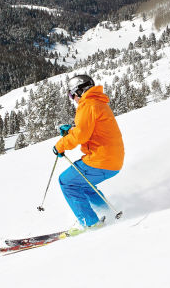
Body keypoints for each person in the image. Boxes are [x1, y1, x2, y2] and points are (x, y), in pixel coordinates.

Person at [52, 74, 124, 231]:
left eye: (72, 95)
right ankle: (105, 211)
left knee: (67, 182)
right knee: (83, 183)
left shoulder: (87, 105)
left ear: (79, 91)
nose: (73, 99)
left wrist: (60, 145)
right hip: (112, 159)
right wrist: (72, 129)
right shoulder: (97, 102)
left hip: (101, 159)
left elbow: (81, 135)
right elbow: (87, 130)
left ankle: (90, 223)